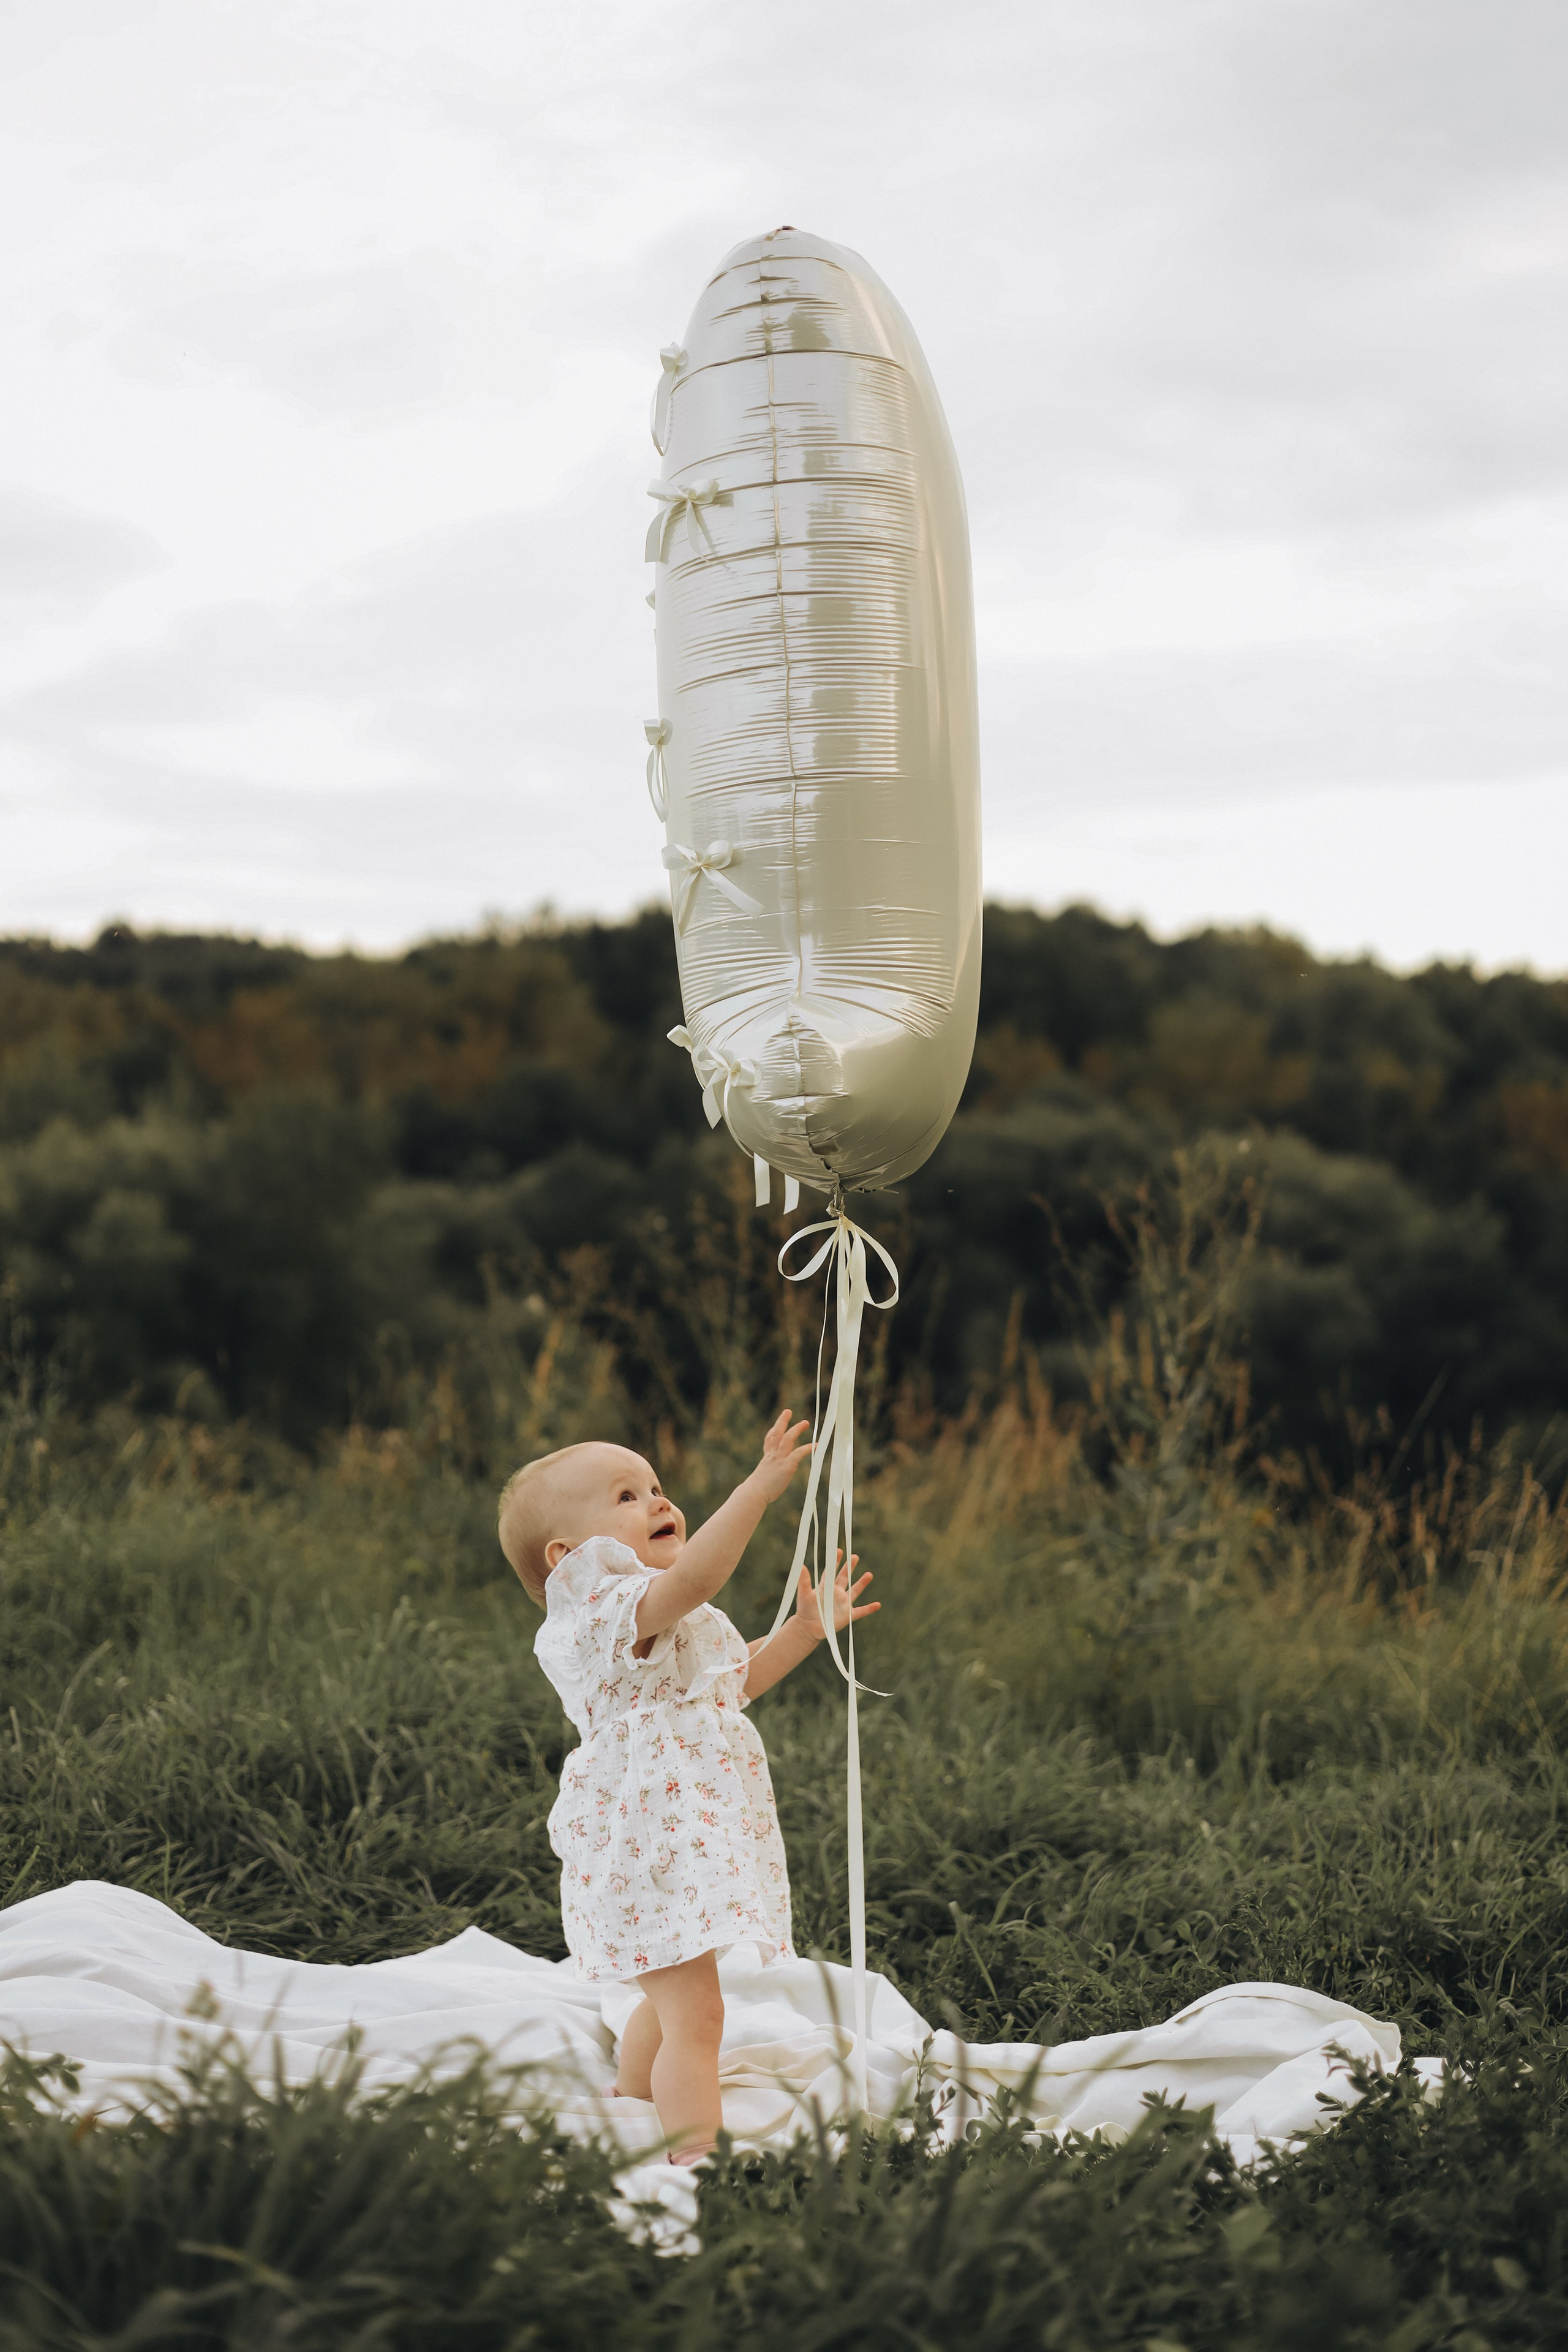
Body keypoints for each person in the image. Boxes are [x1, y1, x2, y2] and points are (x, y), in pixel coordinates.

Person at [497, 1412, 877, 2163]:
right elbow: (702, 1570)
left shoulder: (664, 1623)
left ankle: (636, 2095)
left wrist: (803, 1632)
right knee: (700, 2016)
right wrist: (757, 1490)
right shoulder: (602, 1613)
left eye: (657, 1487)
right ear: (569, 1557)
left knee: (675, 1995)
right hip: (643, 1854)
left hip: (674, 1848)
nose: (660, 1502)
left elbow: (731, 1687)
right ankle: (693, 2154)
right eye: (627, 1496)